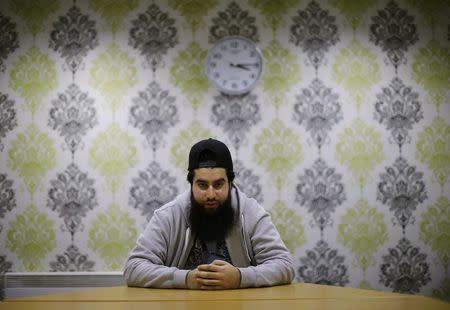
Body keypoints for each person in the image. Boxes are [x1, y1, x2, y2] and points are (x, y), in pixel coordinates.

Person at [123, 138, 294, 289]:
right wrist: (186, 279)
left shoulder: (251, 212)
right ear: (191, 184)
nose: (211, 194)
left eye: (218, 185)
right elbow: (134, 267)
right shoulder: (168, 216)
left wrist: (240, 278)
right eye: (203, 185)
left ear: (230, 183)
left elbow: (284, 265)